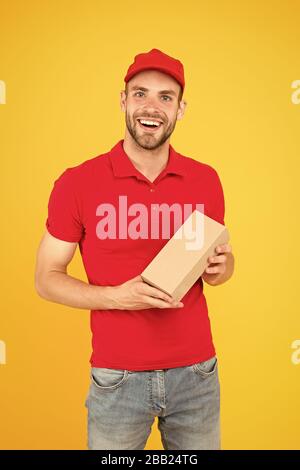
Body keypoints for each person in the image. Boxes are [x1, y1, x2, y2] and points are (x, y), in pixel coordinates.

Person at [34, 48, 235, 450]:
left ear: (180, 109)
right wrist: (118, 297)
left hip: (196, 373)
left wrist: (223, 267)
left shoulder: (205, 179)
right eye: (140, 93)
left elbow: (221, 267)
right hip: (117, 377)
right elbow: (46, 279)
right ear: (123, 101)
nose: (152, 106)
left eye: (166, 97)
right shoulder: (78, 183)